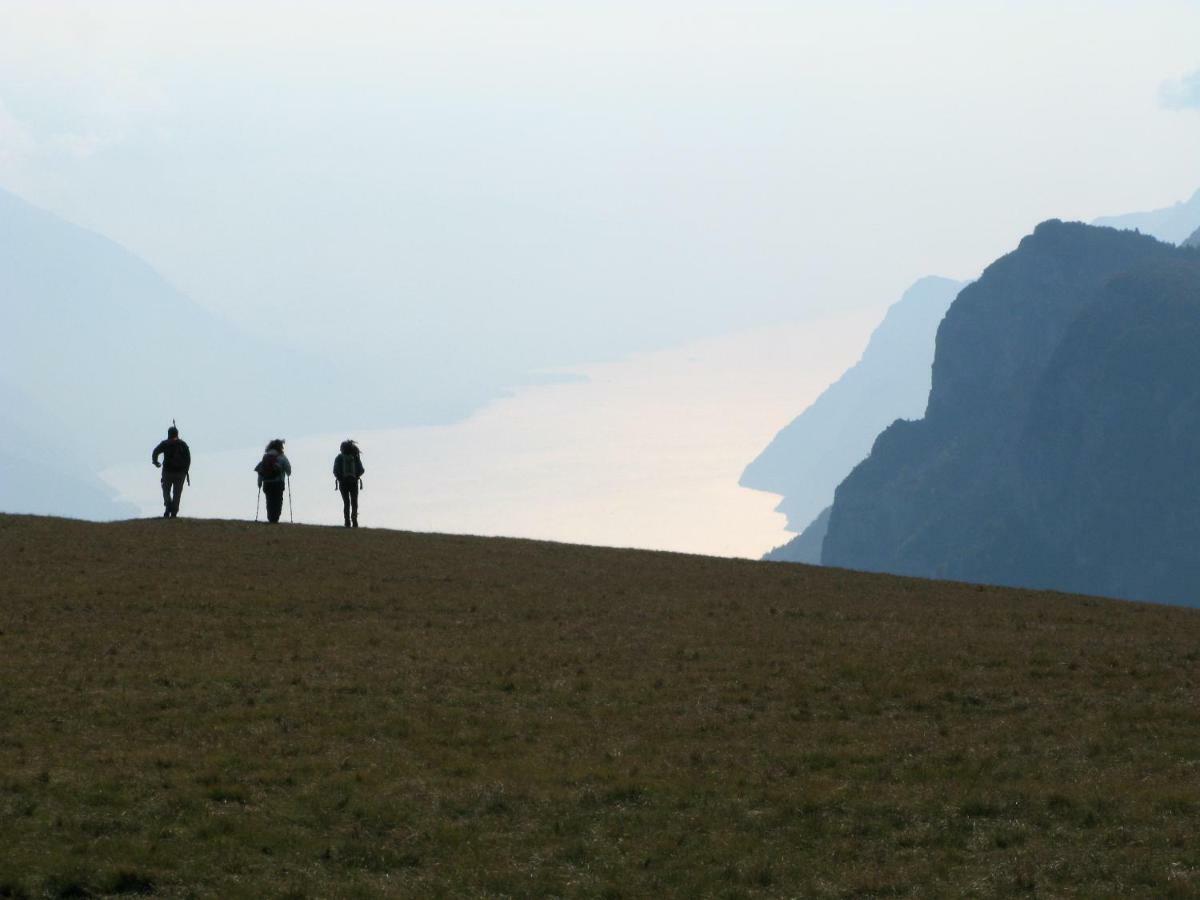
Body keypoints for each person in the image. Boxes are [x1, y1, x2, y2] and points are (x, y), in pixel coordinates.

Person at [151, 425, 191, 518]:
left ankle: (168, 507)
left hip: (167, 472)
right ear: (177, 434)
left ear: (169, 434)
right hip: (180, 474)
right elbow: (188, 459)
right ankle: (174, 512)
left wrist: (156, 462)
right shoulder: (183, 444)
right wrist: (185, 471)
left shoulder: (165, 443)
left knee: (166, 491)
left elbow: (155, 452)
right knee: (177, 493)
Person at [255, 438, 292, 524]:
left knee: (269, 501)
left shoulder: (266, 457)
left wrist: (259, 483)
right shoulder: (282, 457)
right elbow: (289, 471)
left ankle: (271, 518)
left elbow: (261, 471)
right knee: (278, 501)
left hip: (267, 483)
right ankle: (275, 519)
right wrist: (286, 472)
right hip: (278, 483)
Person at [332, 439, 365, 528]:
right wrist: (356, 476)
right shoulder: (355, 457)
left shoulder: (339, 458)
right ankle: (354, 521)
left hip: (343, 483)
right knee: (354, 502)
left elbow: (335, 471)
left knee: (346, 503)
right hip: (354, 482)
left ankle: (347, 522)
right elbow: (362, 470)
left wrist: (340, 478)